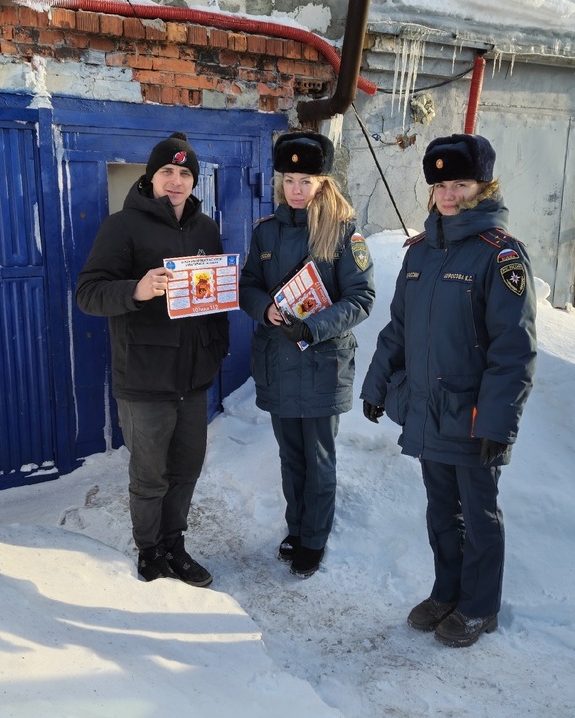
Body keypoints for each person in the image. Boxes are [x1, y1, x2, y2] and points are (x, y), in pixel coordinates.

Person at [360, 133, 536, 647]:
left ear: (484, 186)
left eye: (460, 183)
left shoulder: (500, 256)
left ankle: (481, 608)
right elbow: (398, 328)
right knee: (441, 510)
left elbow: (513, 350)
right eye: (440, 184)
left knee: (478, 516)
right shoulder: (421, 254)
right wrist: (377, 385)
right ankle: (447, 593)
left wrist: (498, 424)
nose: (449, 194)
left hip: (473, 414)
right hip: (427, 410)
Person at [75, 132, 229, 588]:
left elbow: (214, 299)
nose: (176, 181)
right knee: (150, 475)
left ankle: (174, 544)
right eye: (167, 172)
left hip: (193, 376)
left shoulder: (205, 228)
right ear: (152, 176)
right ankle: (149, 550)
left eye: (185, 174)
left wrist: (216, 350)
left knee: (186, 468)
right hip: (144, 376)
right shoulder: (122, 226)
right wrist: (137, 290)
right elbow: (87, 293)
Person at [239, 131, 375, 579]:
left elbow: (361, 299)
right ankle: (296, 529)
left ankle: (314, 540)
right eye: (289, 179)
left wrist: (312, 326)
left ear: (323, 183)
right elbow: (247, 286)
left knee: (317, 459)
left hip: (321, 365)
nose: (296, 189)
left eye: (306, 180)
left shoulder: (342, 234)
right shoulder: (267, 231)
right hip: (278, 363)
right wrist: (265, 310)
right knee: (289, 456)